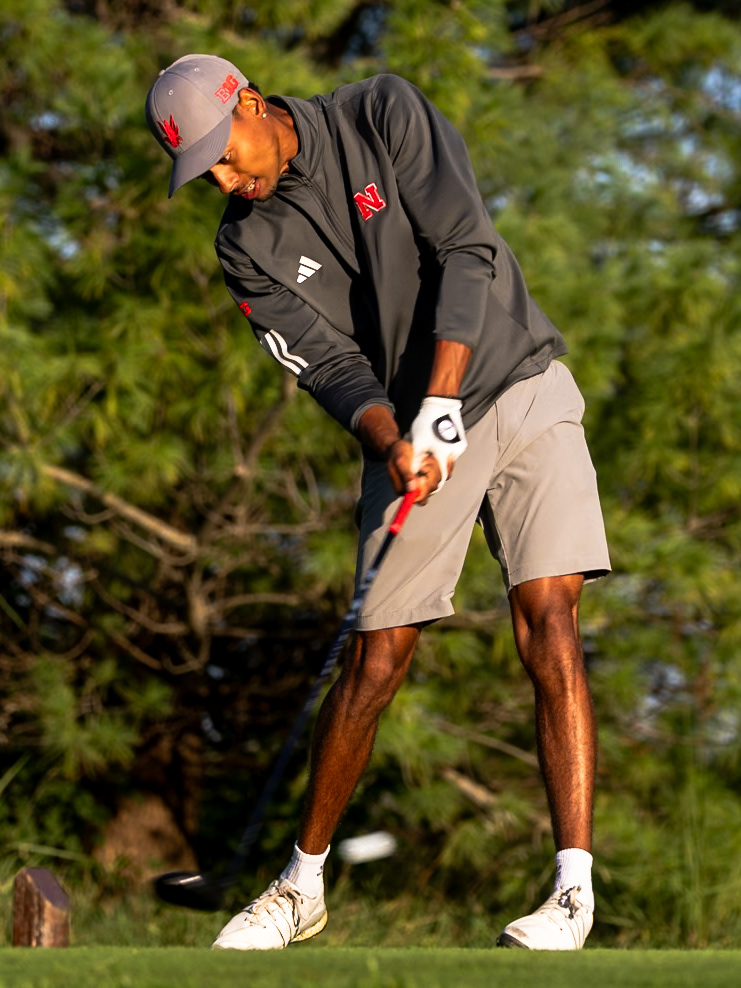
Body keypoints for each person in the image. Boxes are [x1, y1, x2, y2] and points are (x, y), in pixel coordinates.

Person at [145, 54, 610, 952]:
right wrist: (394, 439)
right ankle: (301, 886)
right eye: (203, 173)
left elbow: (466, 247)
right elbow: (326, 365)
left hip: (516, 379)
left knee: (548, 616)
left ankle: (571, 893)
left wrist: (442, 398)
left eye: (223, 155)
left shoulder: (381, 112)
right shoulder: (243, 247)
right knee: (376, 657)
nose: (223, 180)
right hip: (410, 433)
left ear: (252, 104)